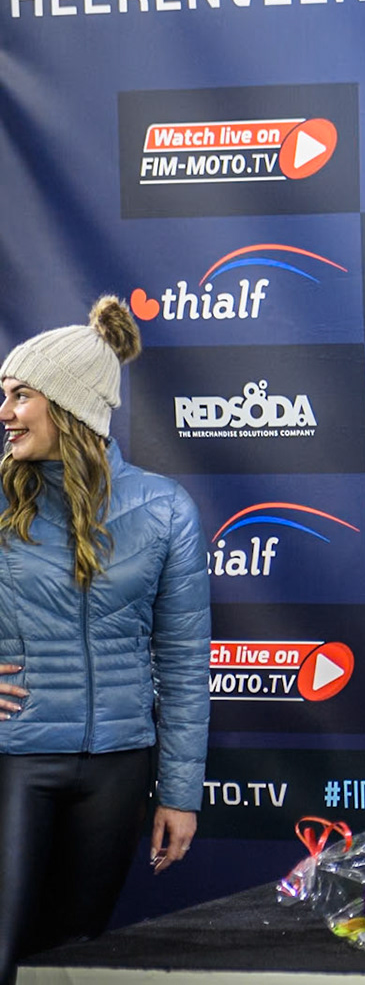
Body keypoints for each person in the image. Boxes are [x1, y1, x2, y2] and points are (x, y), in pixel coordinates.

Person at [0, 296, 209, 984]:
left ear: (69, 406)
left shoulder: (163, 509)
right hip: (15, 763)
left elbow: (182, 664)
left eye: (20, 395)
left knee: (71, 962)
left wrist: (179, 793)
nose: (5, 412)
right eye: (5, 395)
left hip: (117, 772)